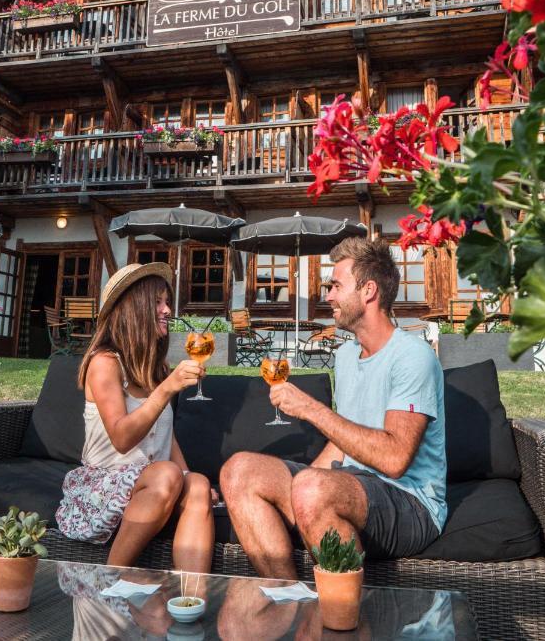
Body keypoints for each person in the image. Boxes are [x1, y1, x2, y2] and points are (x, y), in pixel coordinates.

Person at [220, 237, 446, 578]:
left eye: (336, 285)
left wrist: (311, 409)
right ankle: (288, 598)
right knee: (238, 471)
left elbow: (394, 459)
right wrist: (301, 487)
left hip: (411, 502)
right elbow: (344, 440)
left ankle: (344, 620)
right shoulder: (346, 356)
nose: (328, 296)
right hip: (352, 485)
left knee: (312, 487)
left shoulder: (412, 357)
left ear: (368, 291)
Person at [57, 262, 217, 573]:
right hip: (103, 486)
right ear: (134, 307)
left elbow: (164, 434)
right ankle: (111, 578)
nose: (167, 309)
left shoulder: (154, 367)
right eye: (157, 301)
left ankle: (192, 598)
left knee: (197, 483)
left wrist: (186, 474)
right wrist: (168, 388)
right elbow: (122, 437)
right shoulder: (104, 363)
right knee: (167, 474)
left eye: (166, 301)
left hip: (152, 481)